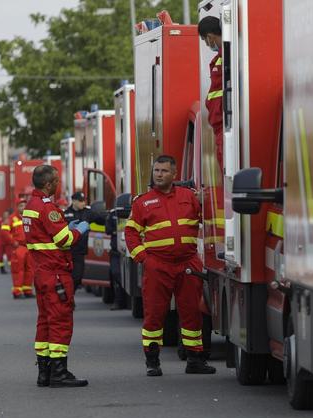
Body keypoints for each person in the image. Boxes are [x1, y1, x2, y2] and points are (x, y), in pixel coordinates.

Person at [124, 155, 215, 377]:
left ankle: (194, 359)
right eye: (156, 171)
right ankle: (152, 361)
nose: (159, 174)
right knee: (155, 313)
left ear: (174, 174)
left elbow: (208, 219)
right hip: (158, 265)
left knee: (192, 312)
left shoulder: (189, 197)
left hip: (188, 264)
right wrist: (143, 258)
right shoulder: (142, 202)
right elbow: (131, 232)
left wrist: (205, 199)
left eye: (164, 171)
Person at [22, 164, 89, 388]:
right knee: (60, 321)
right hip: (56, 274)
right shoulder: (47, 207)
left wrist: (65, 226)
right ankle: (59, 373)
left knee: (45, 322)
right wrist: (79, 230)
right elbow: (65, 240)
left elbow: (46, 234)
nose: (59, 185)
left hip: (41, 272)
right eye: (57, 181)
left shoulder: (31, 205)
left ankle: (45, 373)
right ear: (48, 184)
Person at [62, 191, 105, 290]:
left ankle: (69, 297)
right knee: (66, 277)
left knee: (77, 277)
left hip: (80, 251)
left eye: (84, 201)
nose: (83, 203)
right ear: (73, 201)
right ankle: (68, 300)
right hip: (67, 250)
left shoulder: (88, 212)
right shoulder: (66, 214)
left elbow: (101, 219)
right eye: (81, 201)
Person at [198, 16, 224, 172]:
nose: (207, 44)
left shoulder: (226, 57)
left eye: (205, 41)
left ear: (209, 36)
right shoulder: (220, 58)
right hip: (220, 125)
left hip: (223, 125)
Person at [8, 200, 34, 299]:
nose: (23, 207)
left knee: (30, 269)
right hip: (19, 247)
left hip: (29, 247)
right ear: (17, 207)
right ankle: (17, 291)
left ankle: (27, 290)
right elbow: (4, 232)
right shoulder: (12, 218)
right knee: (18, 270)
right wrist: (12, 242)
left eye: (25, 205)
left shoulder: (29, 217)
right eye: (21, 205)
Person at [105, 205, 127, 310]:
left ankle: (125, 301)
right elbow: (108, 230)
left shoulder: (133, 211)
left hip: (129, 250)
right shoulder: (113, 214)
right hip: (115, 250)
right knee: (116, 274)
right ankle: (118, 301)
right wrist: (117, 231)